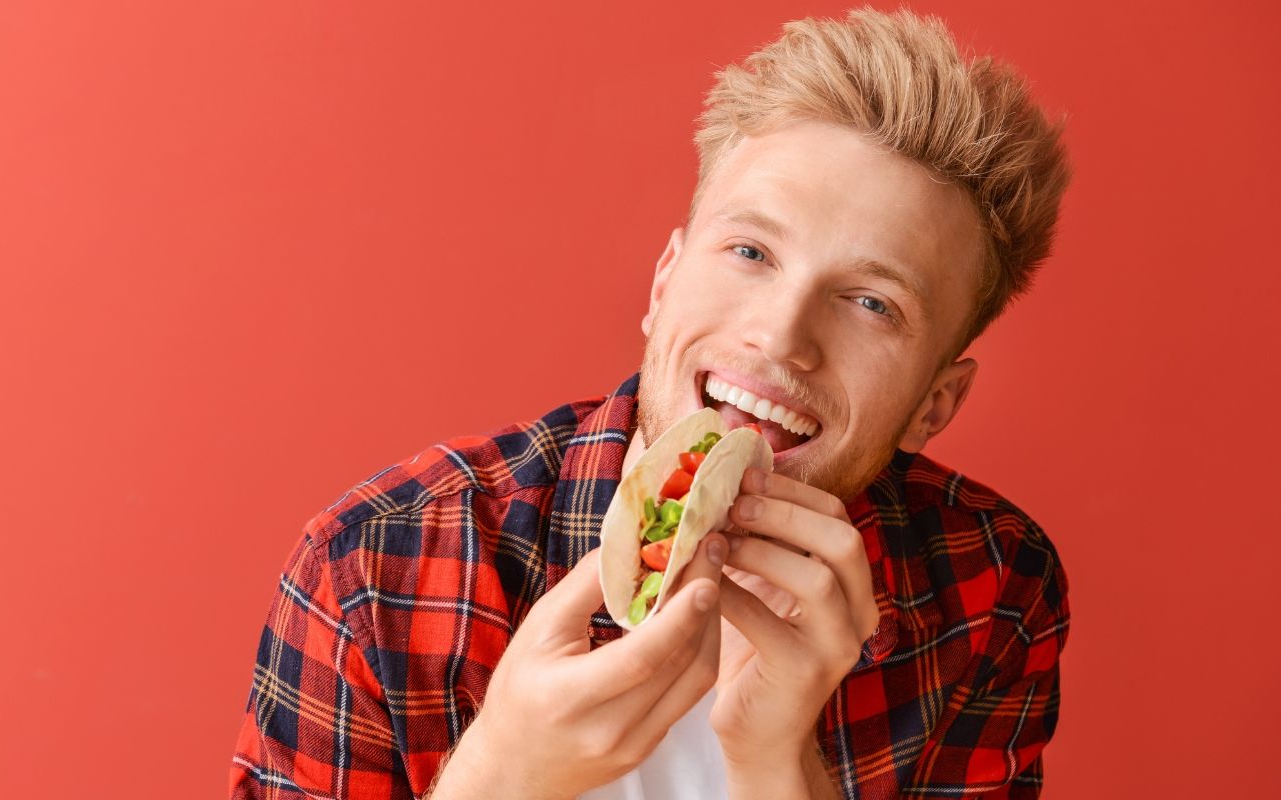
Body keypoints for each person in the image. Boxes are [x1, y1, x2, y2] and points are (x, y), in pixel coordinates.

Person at [229, 8, 1072, 799]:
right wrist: (497, 775)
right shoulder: (380, 568)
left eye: (873, 304)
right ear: (666, 281)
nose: (781, 339)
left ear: (935, 402)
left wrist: (782, 764)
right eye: (750, 251)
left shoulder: (991, 590)